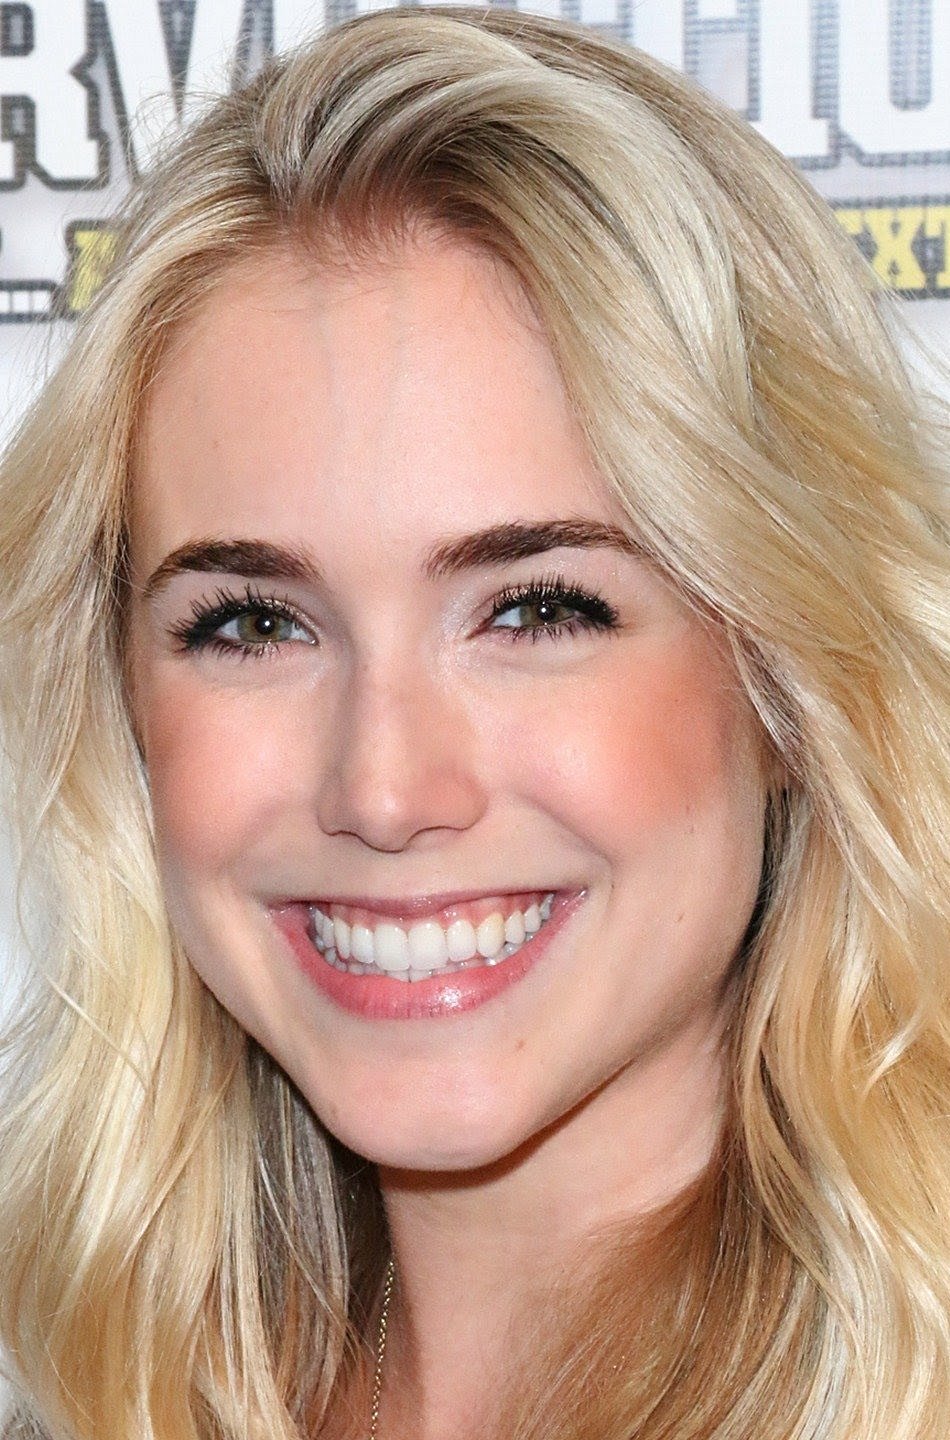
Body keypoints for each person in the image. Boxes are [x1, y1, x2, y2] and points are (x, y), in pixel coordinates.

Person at [0, 7, 947, 1438]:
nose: (384, 789)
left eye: (537, 610)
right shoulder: (101, 1388)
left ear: (786, 680)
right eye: (252, 625)